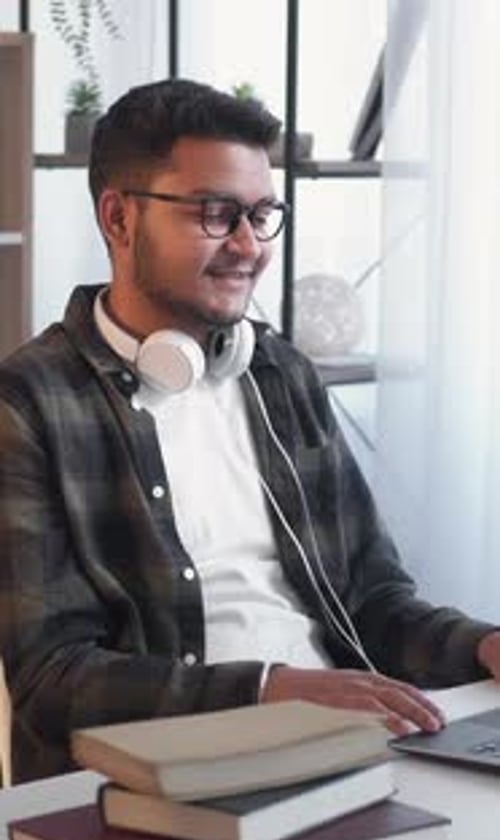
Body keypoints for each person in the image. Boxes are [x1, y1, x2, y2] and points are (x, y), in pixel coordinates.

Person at [0, 78, 499, 785]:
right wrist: (270, 688)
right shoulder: (29, 402)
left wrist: (483, 646)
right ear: (118, 219)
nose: (249, 246)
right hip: (158, 782)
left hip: (345, 750)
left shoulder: (280, 374)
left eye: (262, 214)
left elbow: (373, 600)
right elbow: (54, 681)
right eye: (216, 214)